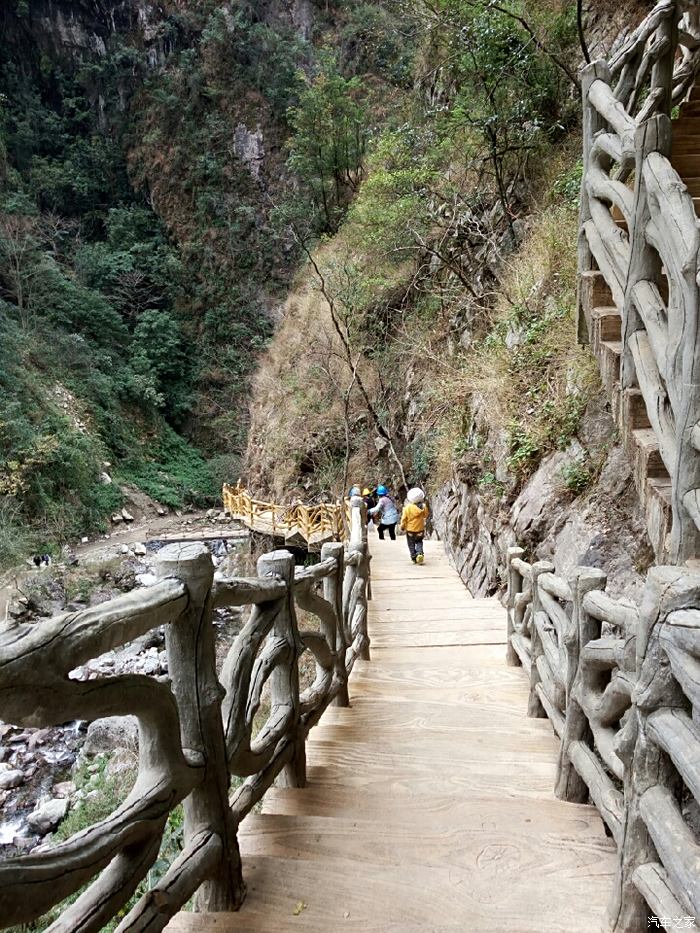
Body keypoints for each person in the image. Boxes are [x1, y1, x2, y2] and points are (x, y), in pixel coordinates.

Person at [400, 487, 429, 564]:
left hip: (410, 530)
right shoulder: (423, 506)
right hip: (420, 529)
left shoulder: (407, 508)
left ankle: (413, 557)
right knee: (419, 541)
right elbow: (426, 515)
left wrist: (402, 526)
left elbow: (404, 519)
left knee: (411, 544)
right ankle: (419, 553)